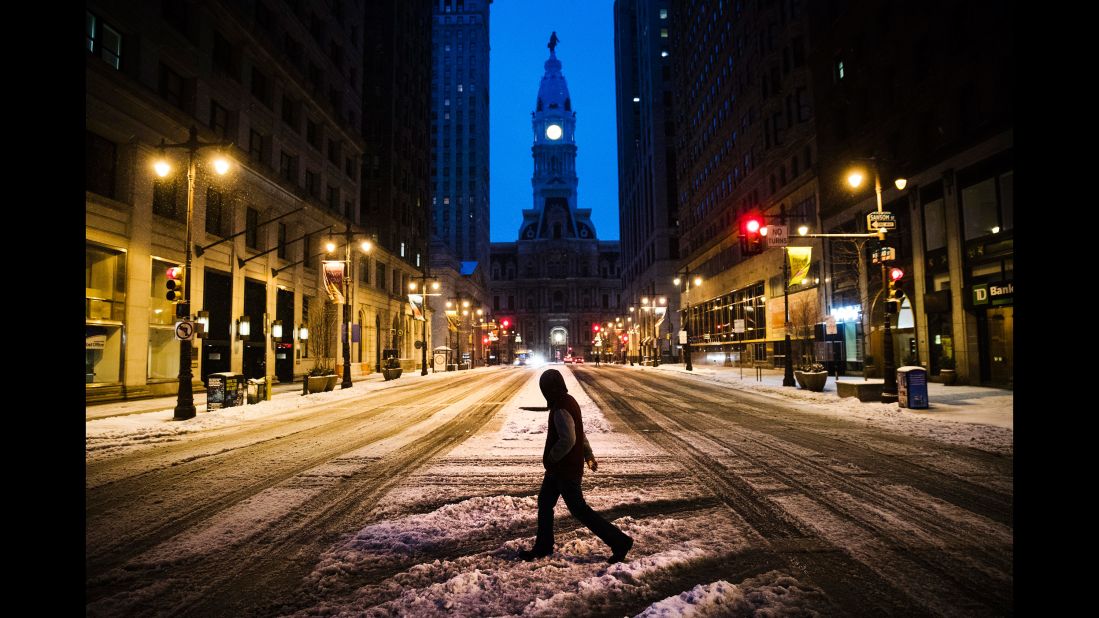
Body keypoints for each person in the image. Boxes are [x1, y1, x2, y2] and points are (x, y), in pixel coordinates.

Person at [519, 369, 633, 563]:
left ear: (550, 389)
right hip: (559, 470)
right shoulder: (568, 401)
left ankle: (619, 542)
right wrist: (588, 455)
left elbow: (570, 439)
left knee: (580, 510)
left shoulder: (561, 407)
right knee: (545, 504)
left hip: (564, 470)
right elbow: (581, 434)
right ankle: (543, 546)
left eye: (545, 389)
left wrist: (552, 458)